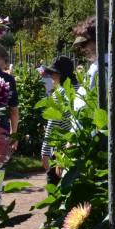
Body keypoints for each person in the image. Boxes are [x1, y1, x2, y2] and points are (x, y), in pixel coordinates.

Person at [40, 56, 77, 185]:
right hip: (76, 147)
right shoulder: (81, 89)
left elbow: (52, 126)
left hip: (59, 151)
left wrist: (45, 152)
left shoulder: (59, 93)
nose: (51, 77)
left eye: (53, 73)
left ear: (60, 74)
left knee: (55, 193)